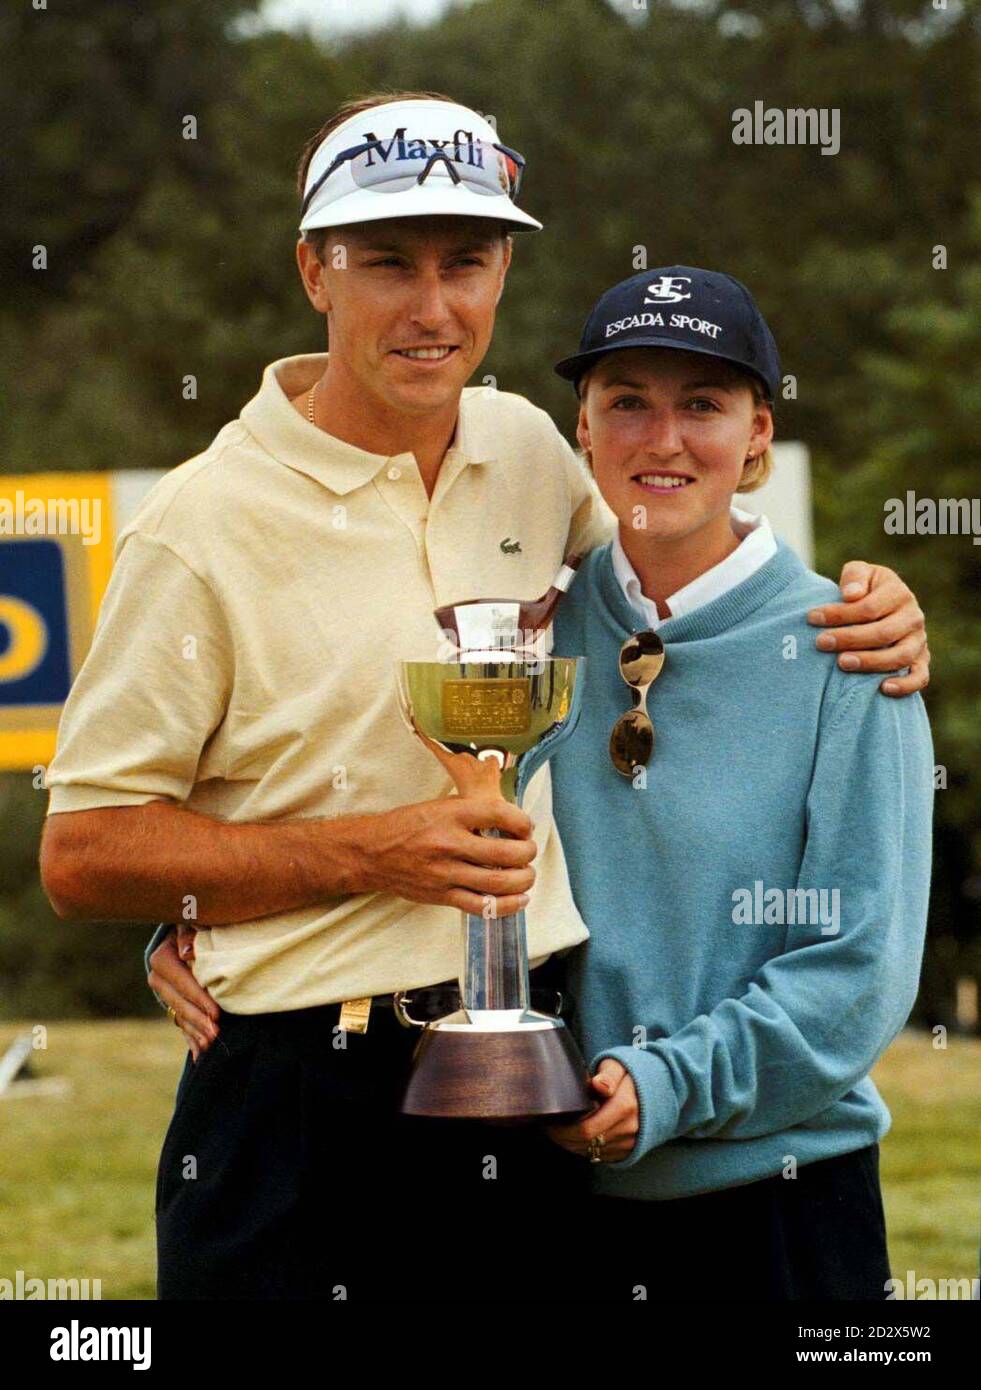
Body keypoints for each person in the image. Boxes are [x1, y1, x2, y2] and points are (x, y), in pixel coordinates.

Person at [39, 90, 929, 1302]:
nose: (432, 305)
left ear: (505, 269)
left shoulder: (526, 456)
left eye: (467, 260)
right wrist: (263, 887)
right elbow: (86, 850)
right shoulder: (194, 528)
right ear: (315, 269)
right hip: (305, 1096)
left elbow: (673, 563)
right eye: (387, 262)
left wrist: (876, 601)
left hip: (530, 1089)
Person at [541, 266, 934, 1301]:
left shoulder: (851, 654)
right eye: (627, 400)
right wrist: (208, 925)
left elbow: (858, 974)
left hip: (781, 1213)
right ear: (582, 428)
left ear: (757, 436)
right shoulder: (524, 629)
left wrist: (663, 1083)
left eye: (702, 405)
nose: (661, 438)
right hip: (544, 1213)